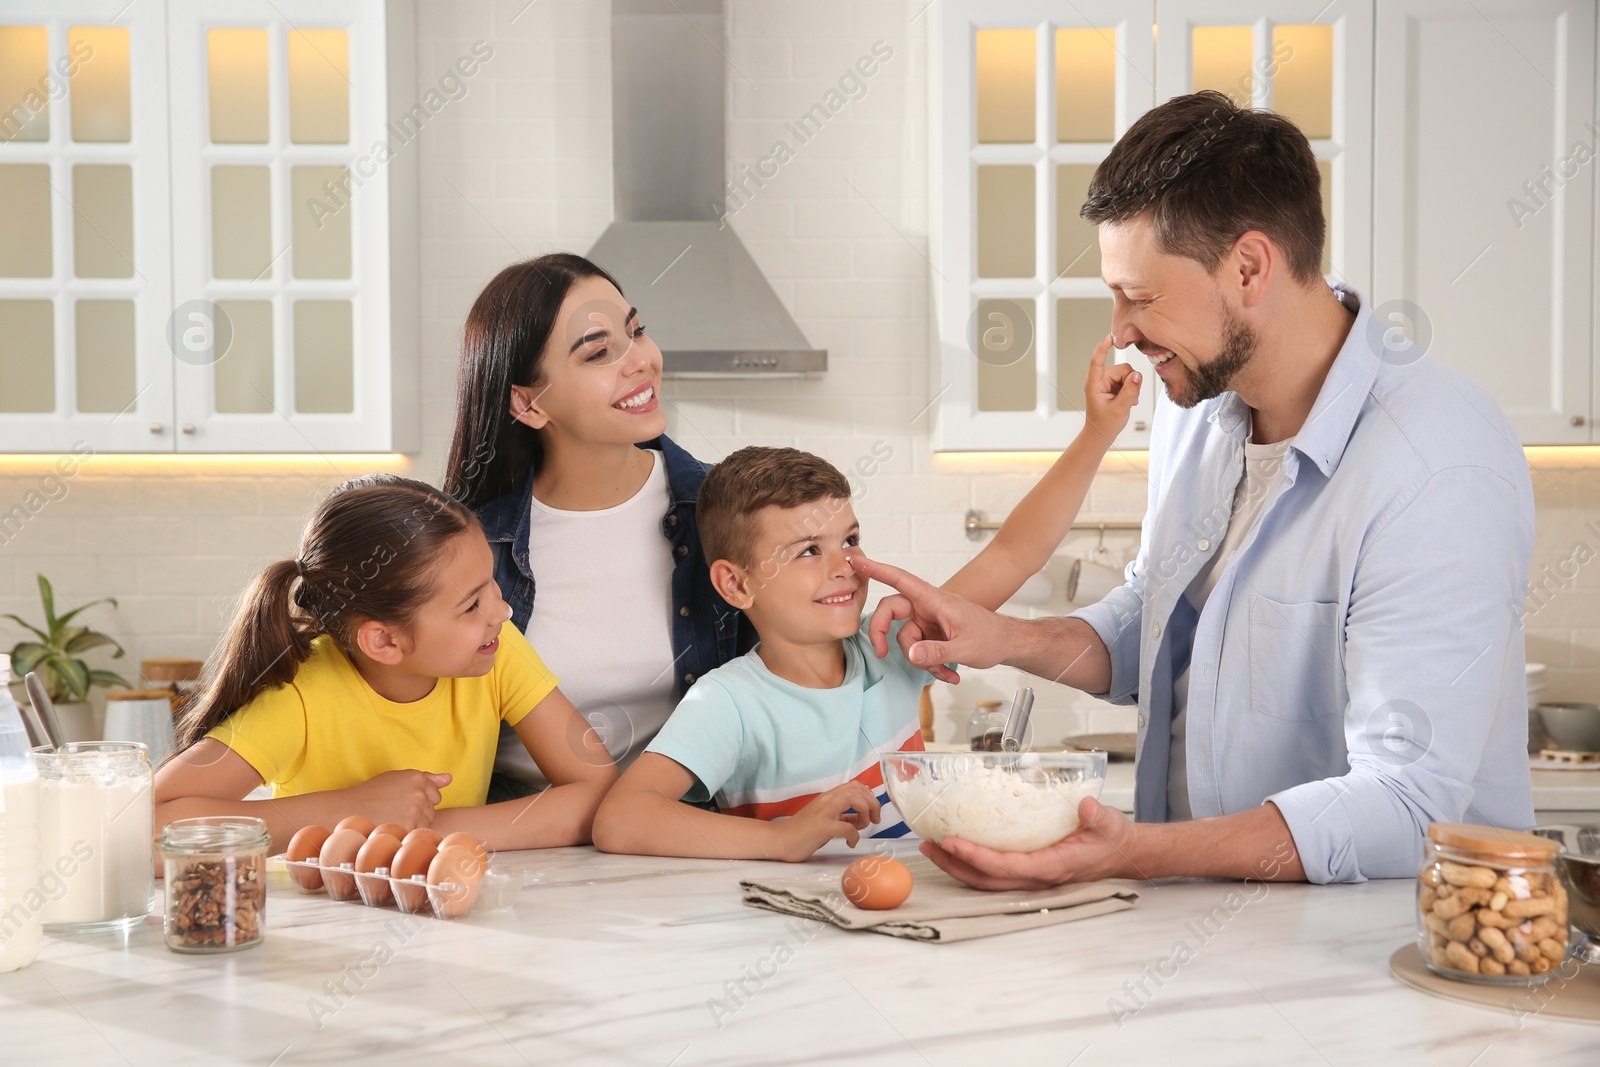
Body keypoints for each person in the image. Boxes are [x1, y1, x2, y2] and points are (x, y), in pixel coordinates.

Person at [855, 90, 1535, 889]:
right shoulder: (1199, 406)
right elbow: (1161, 619)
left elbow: (1409, 805)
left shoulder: (1433, 465)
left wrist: (1132, 852)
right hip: (1197, 930)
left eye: (1139, 297)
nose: (1119, 333)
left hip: (1365, 958)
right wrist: (1004, 636)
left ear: (1248, 266)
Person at [594, 340, 1142, 861]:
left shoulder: (896, 648)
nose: (845, 567)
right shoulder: (730, 705)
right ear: (736, 585)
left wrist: (1096, 433)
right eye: (808, 550)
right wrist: (783, 839)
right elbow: (622, 819)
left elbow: (1013, 554)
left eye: (849, 540)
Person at [154, 474, 618, 853]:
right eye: (471, 605)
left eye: (492, 584)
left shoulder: (497, 651)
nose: (503, 611)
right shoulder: (299, 694)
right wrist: (344, 810)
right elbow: (135, 828)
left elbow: (598, 793)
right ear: (384, 641)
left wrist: (420, 832)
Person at [443, 253, 751, 802]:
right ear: (528, 403)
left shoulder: (725, 509)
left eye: (636, 332)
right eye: (599, 353)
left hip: (691, 836)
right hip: (521, 845)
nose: (640, 362)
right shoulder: (469, 545)